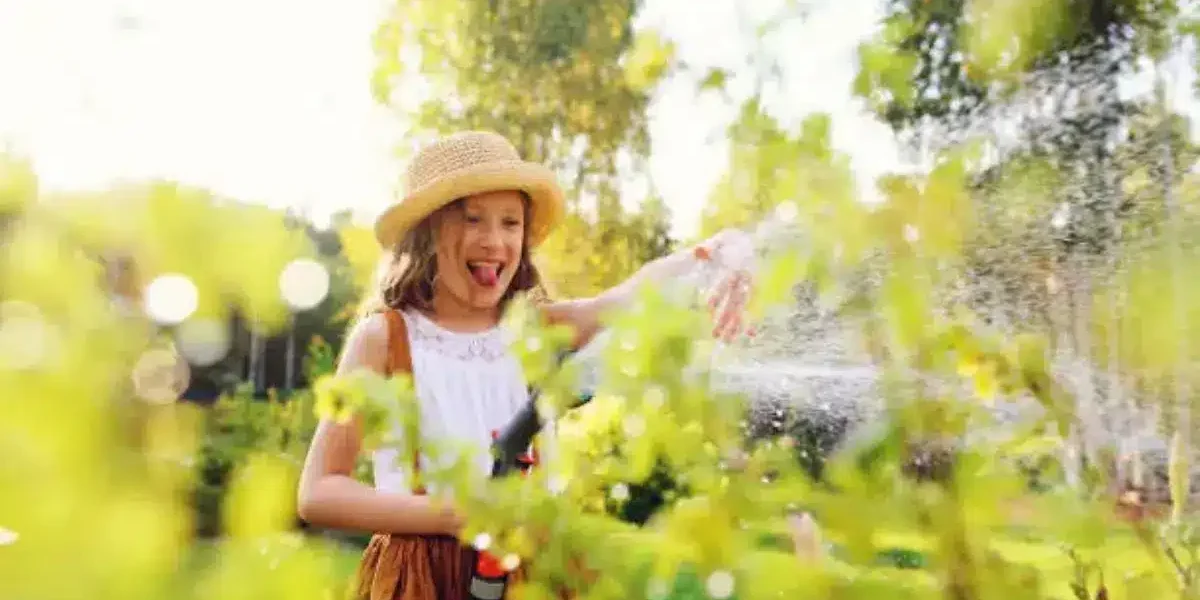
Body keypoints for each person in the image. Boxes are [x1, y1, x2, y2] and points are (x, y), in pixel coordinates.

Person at [297, 130, 755, 600]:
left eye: (510, 223)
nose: (493, 240)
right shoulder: (386, 339)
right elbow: (318, 492)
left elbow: (632, 294)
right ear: (428, 233)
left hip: (527, 573)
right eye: (472, 219)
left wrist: (727, 249)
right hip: (421, 577)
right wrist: (455, 512)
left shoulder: (535, 332)